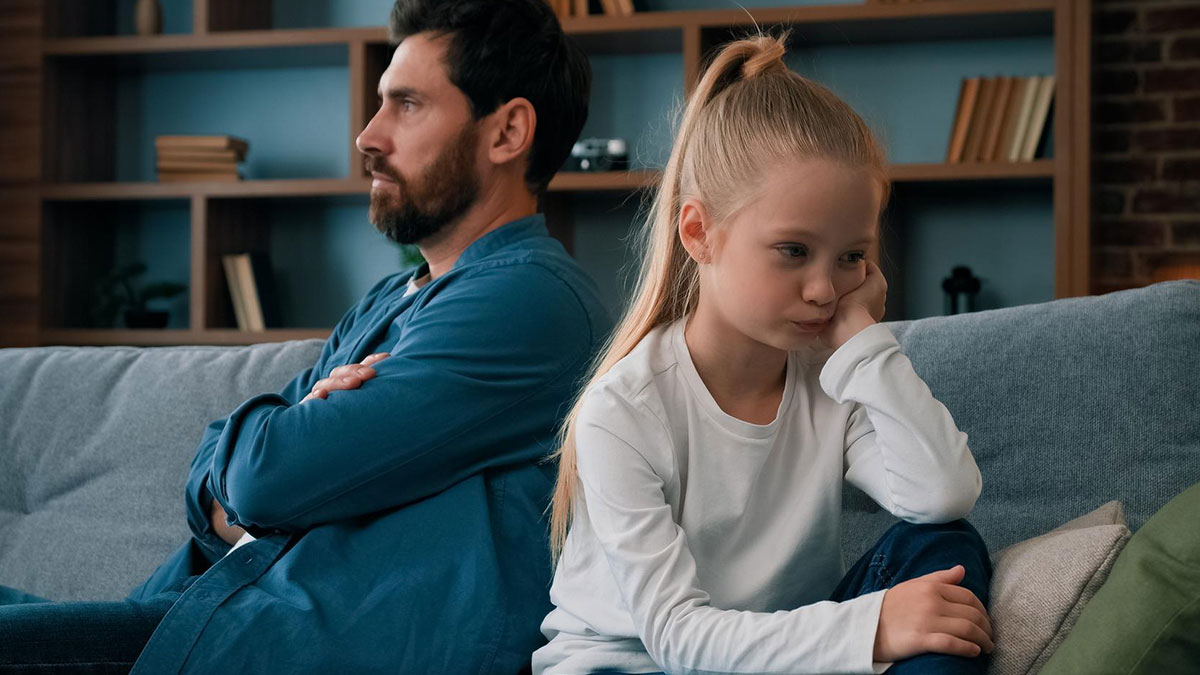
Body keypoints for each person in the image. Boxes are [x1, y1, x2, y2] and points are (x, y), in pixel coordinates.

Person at [0, 1, 609, 672]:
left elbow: (261, 479)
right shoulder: (389, 299)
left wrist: (275, 458)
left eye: (406, 105)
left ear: (508, 131)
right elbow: (219, 478)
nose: (368, 136)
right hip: (197, 616)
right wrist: (276, 451)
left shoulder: (528, 302)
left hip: (274, 646)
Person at [532, 33, 994, 675]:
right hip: (637, 664)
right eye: (794, 251)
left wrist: (860, 341)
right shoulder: (624, 409)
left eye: (851, 257)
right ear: (698, 233)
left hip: (776, 652)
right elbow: (678, 639)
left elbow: (943, 494)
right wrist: (874, 628)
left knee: (946, 548)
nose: (824, 289)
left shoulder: (833, 378)